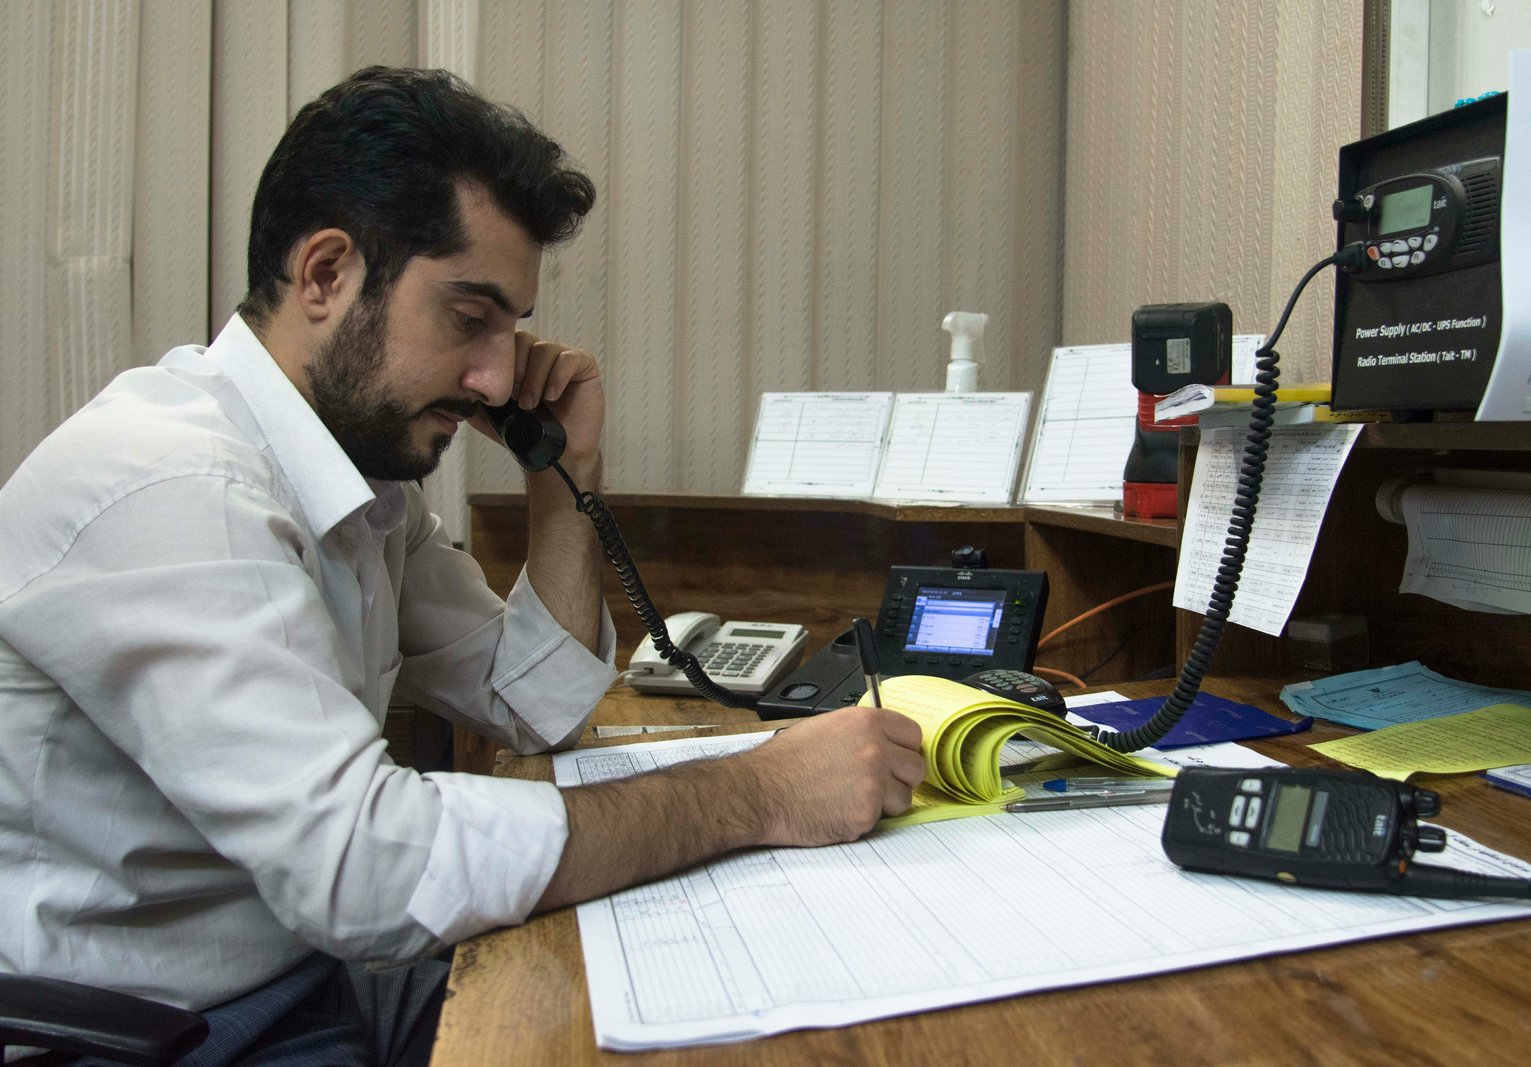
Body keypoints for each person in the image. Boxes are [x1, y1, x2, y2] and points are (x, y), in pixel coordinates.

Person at [0, 66, 925, 1065]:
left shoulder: (356, 485)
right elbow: (366, 867)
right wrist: (755, 793)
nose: (495, 377)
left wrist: (562, 476)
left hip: (303, 978)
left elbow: (535, 701)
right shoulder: (174, 486)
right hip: (162, 1033)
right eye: (468, 317)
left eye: (511, 329)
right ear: (326, 275)